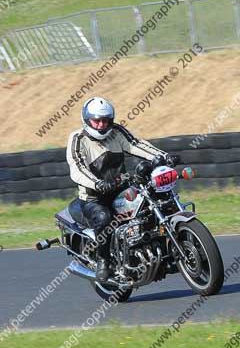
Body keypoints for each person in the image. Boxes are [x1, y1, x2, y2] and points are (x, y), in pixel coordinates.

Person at [66, 97, 174, 281]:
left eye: (105, 120)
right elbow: (77, 168)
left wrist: (163, 156)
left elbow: (136, 144)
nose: (101, 125)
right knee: (103, 217)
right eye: (97, 120)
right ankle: (103, 261)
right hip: (93, 198)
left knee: (151, 202)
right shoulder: (78, 139)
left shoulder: (116, 132)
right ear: (86, 119)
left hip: (120, 189)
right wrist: (98, 183)